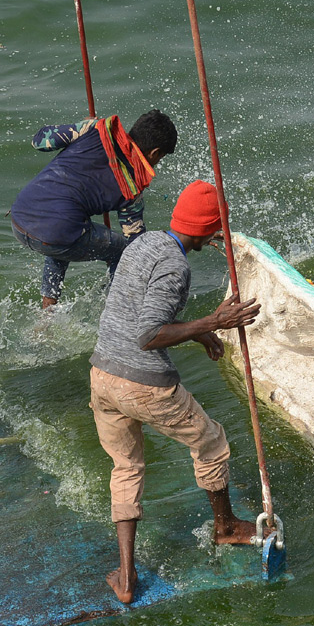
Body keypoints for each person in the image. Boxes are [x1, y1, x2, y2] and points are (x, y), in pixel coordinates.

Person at [88, 179, 261, 603]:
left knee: (126, 468)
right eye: (217, 228)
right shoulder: (176, 267)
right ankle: (224, 528)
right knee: (213, 442)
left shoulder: (143, 244)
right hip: (142, 382)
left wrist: (197, 334)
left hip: (102, 373)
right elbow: (149, 333)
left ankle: (126, 578)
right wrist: (212, 324)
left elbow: (138, 312)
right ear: (205, 228)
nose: (218, 236)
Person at [10, 110, 178, 308]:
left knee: (64, 228)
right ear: (154, 152)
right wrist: (180, 238)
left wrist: (80, 124)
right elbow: (136, 244)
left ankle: (47, 312)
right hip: (55, 235)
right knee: (122, 251)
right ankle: (113, 309)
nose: (157, 163)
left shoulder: (95, 130)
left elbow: (39, 140)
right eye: (161, 158)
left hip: (20, 217)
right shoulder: (132, 186)